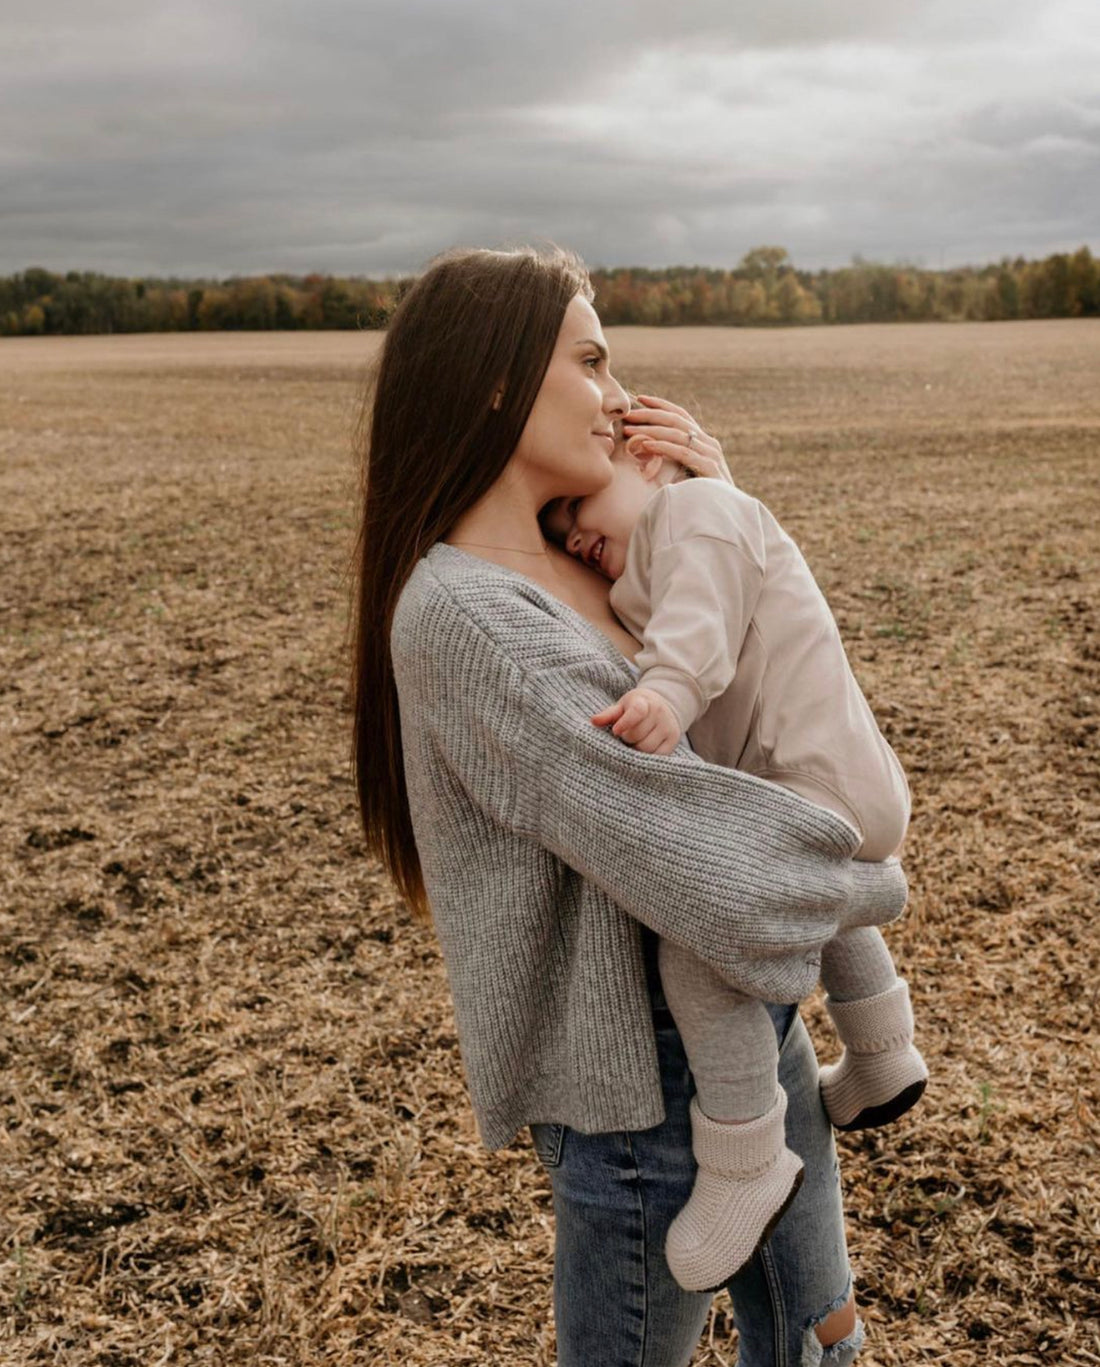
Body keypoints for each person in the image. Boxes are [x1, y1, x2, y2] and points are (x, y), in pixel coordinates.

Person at [351, 244, 910, 1366]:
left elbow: (762, 688)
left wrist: (713, 506)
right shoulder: (466, 618)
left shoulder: (598, 554)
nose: (616, 399)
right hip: (635, 1089)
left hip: (750, 1025)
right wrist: (876, 881)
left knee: (820, 1339)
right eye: (592, 361)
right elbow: (701, 856)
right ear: (500, 378)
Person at [540, 435, 928, 1293]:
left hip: (814, 785)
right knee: (800, 898)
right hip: (821, 788)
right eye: (557, 526)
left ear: (647, 460)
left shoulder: (696, 512)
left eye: (578, 507)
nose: (571, 534)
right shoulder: (670, 537)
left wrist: (665, 693)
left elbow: (700, 626)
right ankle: (882, 1050)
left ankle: (746, 1152)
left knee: (702, 939)